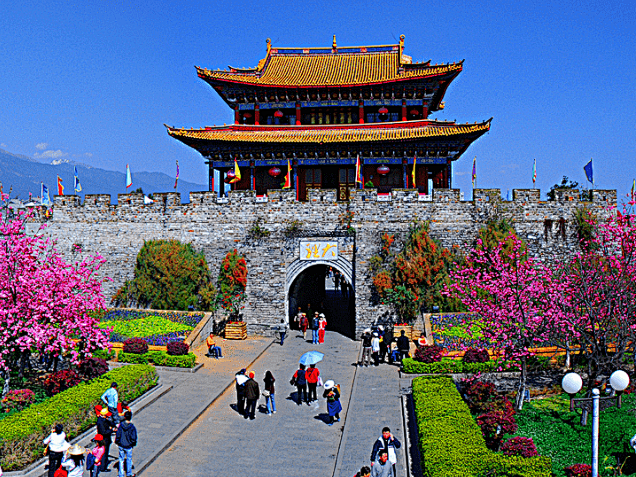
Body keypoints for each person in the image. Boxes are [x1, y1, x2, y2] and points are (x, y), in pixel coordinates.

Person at [115, 411, 137, 477]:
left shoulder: (121, 426)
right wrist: (132, 443)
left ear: (124, 417)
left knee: (121, 459)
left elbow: (118, 435)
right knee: (129, 459)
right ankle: (129, 473)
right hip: (129, 446)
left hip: (121, 445)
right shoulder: (132, 427)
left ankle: (121, 474)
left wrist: (118, 442)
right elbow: (134, 437)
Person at [96, 407, 116, 473]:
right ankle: (103, 467)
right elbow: (104, 432)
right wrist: (111, 430)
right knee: (104, 453)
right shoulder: (101, 422)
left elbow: (109, 423)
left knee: (105, 452)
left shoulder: (103, 419)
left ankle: (104, 464)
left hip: (106, 439)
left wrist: (113, 425)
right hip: (104, 440)